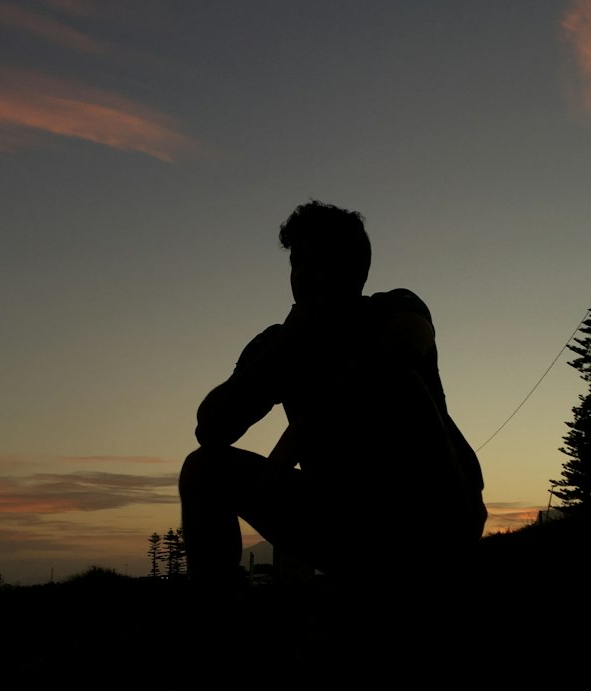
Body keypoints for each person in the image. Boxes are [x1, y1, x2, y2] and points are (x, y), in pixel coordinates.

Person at [179, 201, 486, 584]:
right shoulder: (277, 344)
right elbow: (210, 429)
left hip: (436, 515)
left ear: (355, 269)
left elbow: (399, 356)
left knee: (397, 381)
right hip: (339, 523)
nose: (304, 275)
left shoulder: (393, 309)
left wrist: (289, 446)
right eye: (297, 262)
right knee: (202, 469)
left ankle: (438, 574)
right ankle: (214, 622)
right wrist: (285, 343)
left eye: (320, 261)